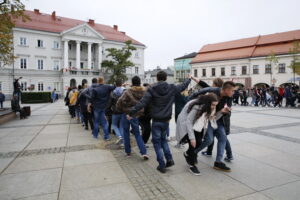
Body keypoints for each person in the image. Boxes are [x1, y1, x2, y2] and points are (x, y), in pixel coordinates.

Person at [129, 71, 191, 173]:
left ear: (157, 78)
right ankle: (169, 159)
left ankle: (161, 165)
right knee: (163, 140)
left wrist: (131, 112)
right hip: (166, 120)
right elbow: (182, 86)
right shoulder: (171, 87)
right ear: (166, 78)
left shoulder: (151, 89)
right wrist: (189, 79)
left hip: (156, 120)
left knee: (157, 143)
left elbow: (142, 103)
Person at [190, 81, 236, 172]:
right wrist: (189, 101)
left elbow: (227, 110)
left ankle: (218, 162)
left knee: (223, 138)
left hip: (219, 120)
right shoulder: (212, 91)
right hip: (209, 119)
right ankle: (193, 153)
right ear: (226, 90)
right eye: (232, 91)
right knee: (209, 140)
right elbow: (198, 93)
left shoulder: (229, 97)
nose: (233, 93)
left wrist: (226, 111)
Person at [176, 93, 219, 175]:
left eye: (215, 105)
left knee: (198, 142)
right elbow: (188, 121)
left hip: (198, 125)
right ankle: (192, 166)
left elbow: (212, 119)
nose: (214, 107)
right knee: (193, 144)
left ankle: (188, 153)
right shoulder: (197, 106)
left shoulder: (209, 107)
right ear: (208, 102)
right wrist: (192, 138)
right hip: (187, 124)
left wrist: (222, 112)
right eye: (213, 105)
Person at [116, 76, 148, 159]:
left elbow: (120, 101)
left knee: (126, 133)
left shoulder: (128, 91)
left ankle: (128, 152)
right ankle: (143, 152)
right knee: (137, 133)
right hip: (137, 114)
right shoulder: (144, 91)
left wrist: (121, 109)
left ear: (132, 82)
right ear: (140, 82)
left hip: (126, 114)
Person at [110, 79, 125, 145]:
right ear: (121, 84)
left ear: (115, 84)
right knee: (121, 126)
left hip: (115, 111)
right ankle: (123, 143)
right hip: (122, 111)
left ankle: (119, 136)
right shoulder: (124, 91)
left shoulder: (113, 92)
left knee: (114, 125)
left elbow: (110, 102)